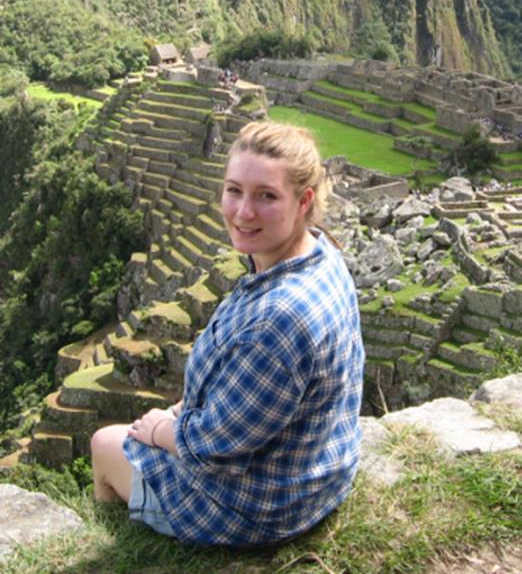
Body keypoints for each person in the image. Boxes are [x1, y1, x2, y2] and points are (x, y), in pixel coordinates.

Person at [91, 120, 364, 546]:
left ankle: (123, 547)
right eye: (234, 190)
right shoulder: (321, 252)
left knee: (106, 443)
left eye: (266, 196)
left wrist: (161, 429)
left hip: (262, 509)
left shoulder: (279, 320)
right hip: (319, 470)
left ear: (303, 200)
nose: (242, 211)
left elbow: (212, 446)